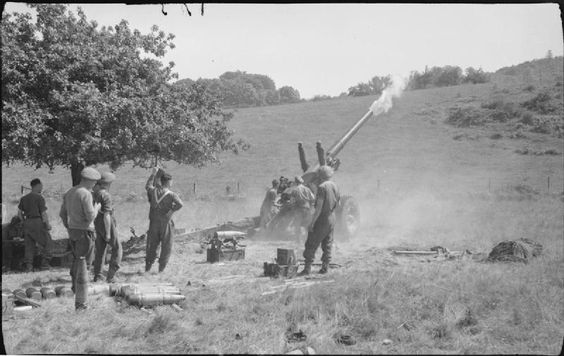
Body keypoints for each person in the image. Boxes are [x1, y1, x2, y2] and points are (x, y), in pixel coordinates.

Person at [59, 167, 101, 310]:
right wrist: (97, 208)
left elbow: (62, 214)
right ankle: (82, 299)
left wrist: (68, 227)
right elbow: (90, 216)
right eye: (94, 182)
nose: (95, 185)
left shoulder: (70, 192)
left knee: (77, 259)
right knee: (85, 264)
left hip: (73, 231)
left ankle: (75, 288)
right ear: (89, 180)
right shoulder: (86, 194)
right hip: (85, 232)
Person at [298, 166, 340, 276]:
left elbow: (319, 208)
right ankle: (325, 268)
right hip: (331, 218)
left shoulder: (322, 187)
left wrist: (312, 223)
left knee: (311, 243)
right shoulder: (335, 185)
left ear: (320, 176)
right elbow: (338, 204)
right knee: (327, 244)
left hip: (322, 218)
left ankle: (307, 269)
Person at [145, 167, 183, 273]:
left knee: (152, 245)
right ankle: (161, 270)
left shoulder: (153, 191)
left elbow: (148, 186)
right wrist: (172, 211)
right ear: (168, 182)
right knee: (166, 246)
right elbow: (180, 204)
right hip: (166, 223)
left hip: (153, 223)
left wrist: (153, 174)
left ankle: (147, 267)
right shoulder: (171, 194)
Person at [92, 172, 122, 283]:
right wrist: (109, 233)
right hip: (106, 224)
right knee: (117, 248)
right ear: (107, 184)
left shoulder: (94, 193)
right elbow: (106, 215)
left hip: (96, 223)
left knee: (100, 250)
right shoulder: (106, 195)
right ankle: (111, 276)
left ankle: (98, 275)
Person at [18, 178, 53, 272]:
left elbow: (19, 214)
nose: (42, 187)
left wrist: (24, 222)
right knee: (47, 242)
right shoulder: (39, 198)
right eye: (41, 186)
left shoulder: (23, 198)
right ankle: (45, 264)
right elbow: (43, 213)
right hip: (37, 222)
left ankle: (29, 266)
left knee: (29, 246)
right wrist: (47, 224)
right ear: (37, 186)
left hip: (27, 222)